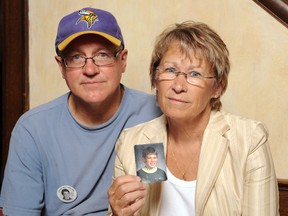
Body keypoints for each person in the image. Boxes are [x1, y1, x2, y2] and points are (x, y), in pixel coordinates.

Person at [0, 7, 161, 216]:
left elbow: (164, 201)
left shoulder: (155, 112)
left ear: (122, 60)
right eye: (76, 58)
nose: (90, 70)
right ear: (61, 67)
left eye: (102, 55)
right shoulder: (32, 130)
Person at [107, 21, 279, 216]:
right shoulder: (132, 141)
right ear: (155, 78)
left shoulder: (249, 140)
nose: (178, 86)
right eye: (170, 70)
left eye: (194, 74)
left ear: (217, 88)